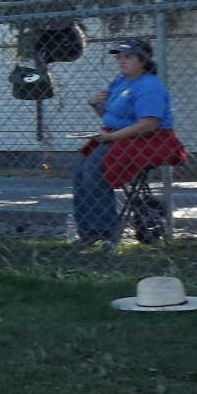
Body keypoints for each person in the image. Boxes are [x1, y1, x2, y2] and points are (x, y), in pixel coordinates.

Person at [72, 37, 183, 249]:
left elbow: (149, 124)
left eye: (128, 57)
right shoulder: (120, 82)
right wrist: (94, 104)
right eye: (120, 57)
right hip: (119, 136)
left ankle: (105, 230)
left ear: (143, 61)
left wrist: (110, 138)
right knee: (80, 171)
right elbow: (109, 117)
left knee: (95, 170)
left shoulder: (149, 86)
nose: (121, 61)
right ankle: (88, 232)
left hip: (148, 140)